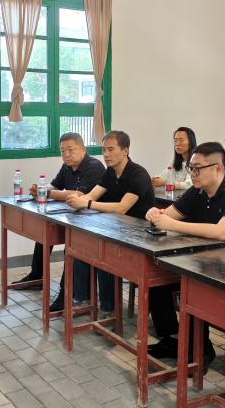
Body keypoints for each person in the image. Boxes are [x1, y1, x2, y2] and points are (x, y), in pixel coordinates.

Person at [145, 142, 225, 369]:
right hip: (201, 260)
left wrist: (173, 224)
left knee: (194, 285)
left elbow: (222, 232)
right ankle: (173, 338)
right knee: (157, 278)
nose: (193, 174)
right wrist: (155, 213)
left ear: (218, 168)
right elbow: (168, 215)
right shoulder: (197, 191)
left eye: (198, 169)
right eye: (191, 168)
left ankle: (200, 350)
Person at [12, 133, 105, 312]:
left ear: (83, 149)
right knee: (43, 233)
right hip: (73, 215)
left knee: (70, 247)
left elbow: (79, 195)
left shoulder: (94, 166)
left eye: (70, 150)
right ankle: (36, 277)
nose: (66, 154)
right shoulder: (67, 166)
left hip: (93, 220)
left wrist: (48, 193)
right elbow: (55, 186)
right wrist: (41, 188)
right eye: (63, 151)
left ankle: (66, 294)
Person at [66, 131, 155, 315]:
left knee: (104, 255)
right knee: (81, 249)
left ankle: (109, 310)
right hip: (117, 229)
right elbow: (92, 195)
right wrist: (77, 199)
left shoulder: (138, 174)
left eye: (111, 149)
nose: (106, 154)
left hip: (140, 234)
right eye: (104, 150)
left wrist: (86, 204)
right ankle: (83, 298)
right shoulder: (110, 172)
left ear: (125, 151)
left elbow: (122, 207)